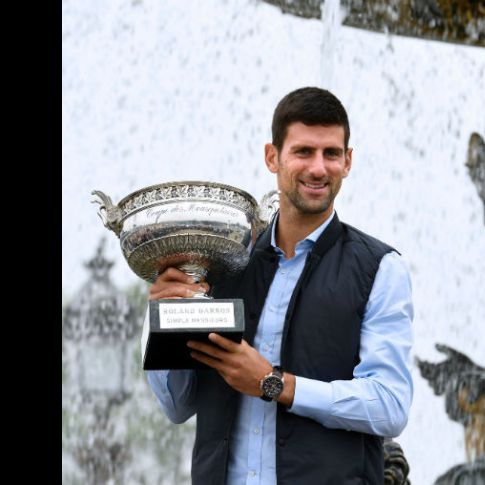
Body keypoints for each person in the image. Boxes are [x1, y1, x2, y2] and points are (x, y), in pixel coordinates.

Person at [146, 87, 414, 485]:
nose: (318, 168)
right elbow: (177, 405)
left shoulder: (381, 269)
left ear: (348, 161)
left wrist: (276, 385)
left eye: (331, 153)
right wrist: (162, 315)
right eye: (303, 152)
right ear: (272, 157)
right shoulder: (221, 265)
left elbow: (390, 405)